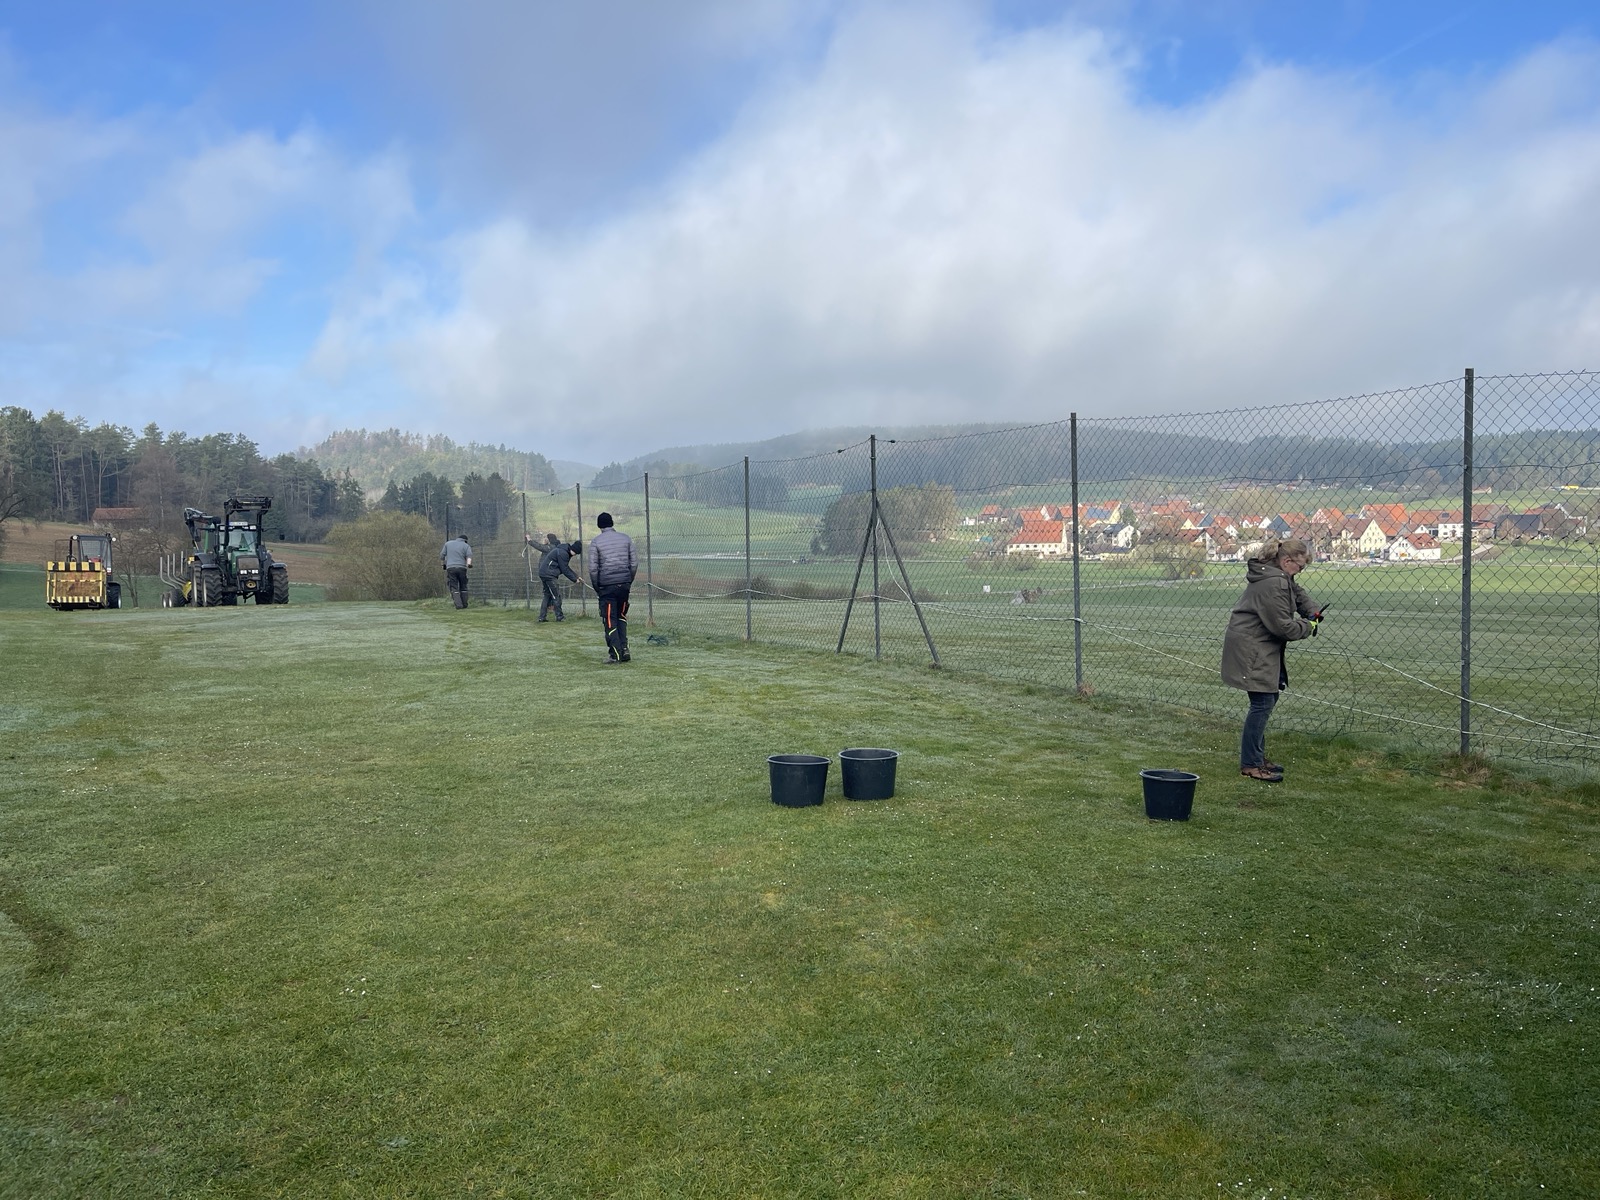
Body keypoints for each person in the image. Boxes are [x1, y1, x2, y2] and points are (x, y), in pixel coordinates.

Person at [1220, 537, 1322, 781]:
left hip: (1256, 645)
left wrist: (1313, 611)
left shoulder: (1278, 576)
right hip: (1253, 647)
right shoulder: (1274, 582)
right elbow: (1283, 628)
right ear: (1286, 561)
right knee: (1262, 703)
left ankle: (1255, 756)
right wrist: (1308, 625)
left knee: (1266, 699)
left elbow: (1297, 592)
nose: (1301, 571)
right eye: (1300, 566)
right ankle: (1251, 764)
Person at [586, 511, 637, 662]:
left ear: (599, 525)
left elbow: (593, 569)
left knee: (609, 619)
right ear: (612, 523)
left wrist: (597, 586)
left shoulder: (596, 542)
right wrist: (628, 580)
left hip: (606, 586)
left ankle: (615, 654)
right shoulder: (626, 539)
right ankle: (625, 649)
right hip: (624, 585)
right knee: (621, 616)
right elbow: (634, 564)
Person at [529, 532, 580, 621]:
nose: (575, 555)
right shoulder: (563, 553)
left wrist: (576, 577)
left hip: (544, 573)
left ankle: (542, 617)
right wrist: (575, 579)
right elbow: (564, 569)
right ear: (573, 550)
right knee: (556, 595)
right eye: (576, 553)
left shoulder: (562, 550)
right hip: (549, 575)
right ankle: (560, 617)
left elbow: (565, 567)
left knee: (547, 595)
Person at [441, 533, 472, 609]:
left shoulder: (448, 544)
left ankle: (458, 605)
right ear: (465, 540)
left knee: (454, 586)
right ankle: (464, 604)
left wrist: (444, 564)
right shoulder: (466, 546)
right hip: (462, 568)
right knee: (463, 586)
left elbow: (442, 555)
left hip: (451, 568)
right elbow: (469, 556)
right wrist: (468, 564)